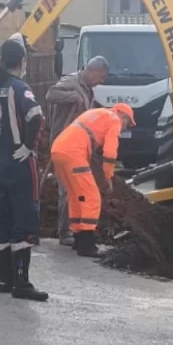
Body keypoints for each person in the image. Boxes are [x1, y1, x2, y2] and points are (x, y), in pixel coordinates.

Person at [0, 37, 49, 301]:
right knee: (24, 221)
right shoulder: (19, 88)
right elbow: (36, 116)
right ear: (22, 61)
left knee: (2, 220)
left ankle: (6, 279)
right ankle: (22, 283)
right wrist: (27, 145)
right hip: (20, 164)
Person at [51, 103, 135, 257]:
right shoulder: (114, 119)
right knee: (92, 198)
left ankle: (78, 238)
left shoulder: (97, 113)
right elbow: (110, 151)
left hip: (58, 151)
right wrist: (108, 176)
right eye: (127, 125)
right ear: (124, 116)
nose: (124, 129)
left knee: (78, 196)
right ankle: (86, 244)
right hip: (73, 153)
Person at [45, 56, 110, 247]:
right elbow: (51, 94)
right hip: (63, 146)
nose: (101, 82)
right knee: (66, 190)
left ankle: (80, 230)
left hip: (79, 148)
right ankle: (64, 231)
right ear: (92, 71)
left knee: (79, 189)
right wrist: (72, 97)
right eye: (101, 77)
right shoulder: (71, 82)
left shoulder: (89, 90)